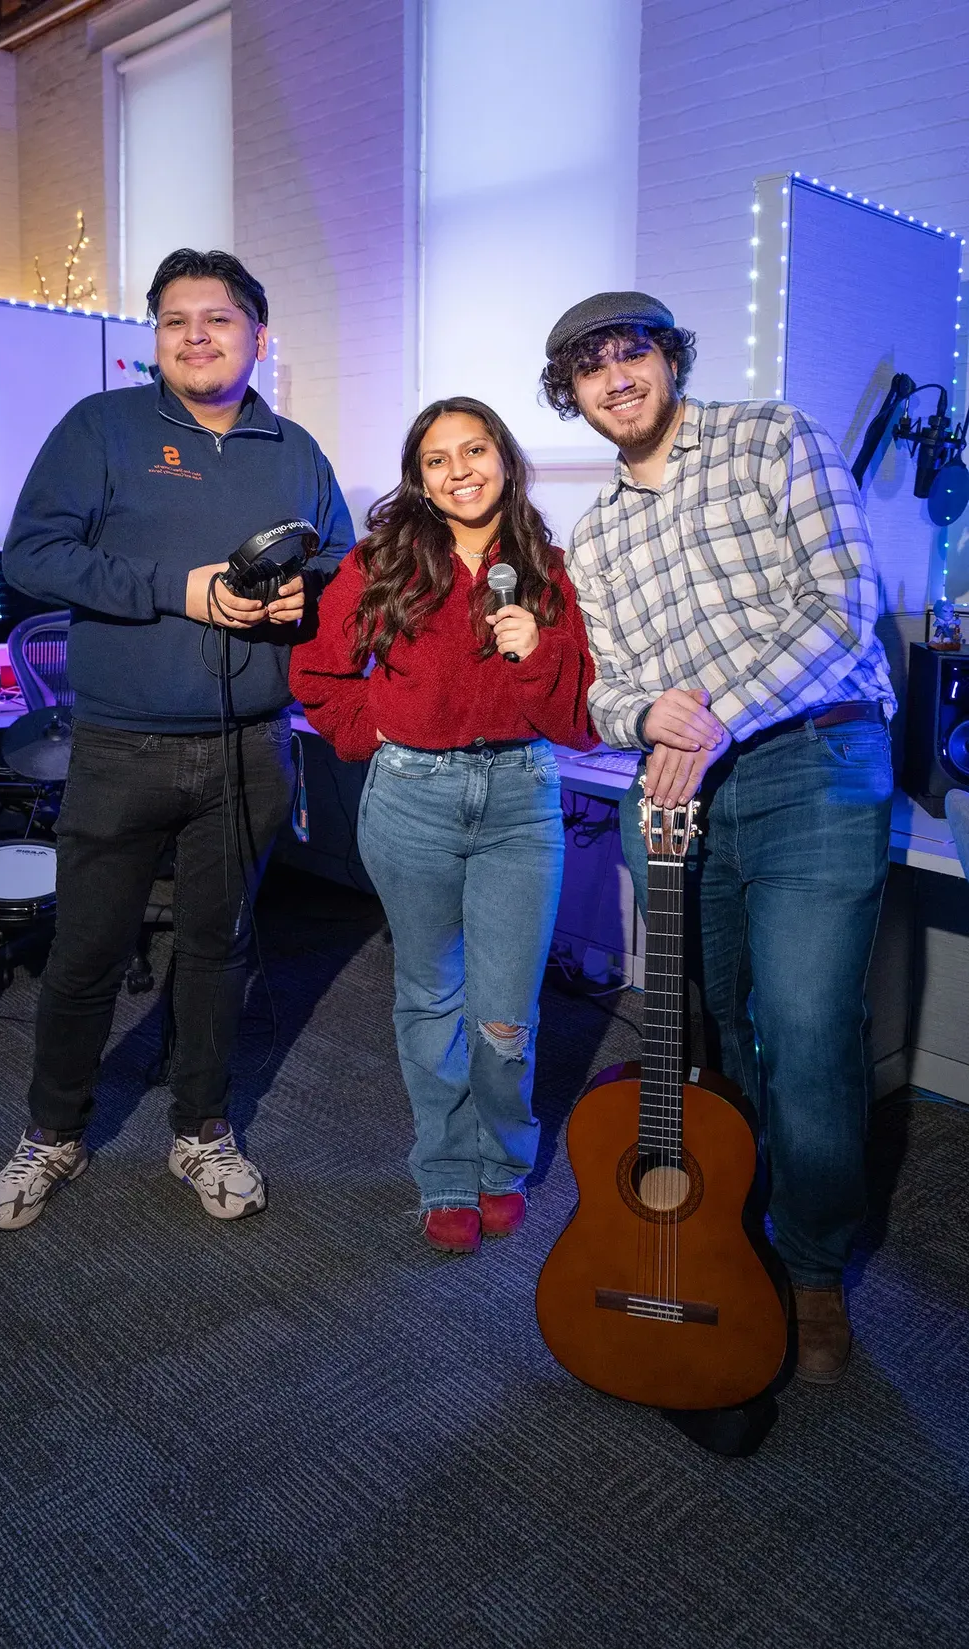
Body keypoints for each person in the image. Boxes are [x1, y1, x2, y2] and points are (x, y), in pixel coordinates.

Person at [541, 290, 896, 1383]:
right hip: (685, 787)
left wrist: (716, 715)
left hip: (810, 763)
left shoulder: (769, 438)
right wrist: (648, 718)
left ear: (666, 358)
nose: (614, 376)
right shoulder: (593, 534)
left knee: (803, 1030)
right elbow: (606, 693)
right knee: (706, 1037)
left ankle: (812, 1269)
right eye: (587, 366)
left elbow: (844, 604)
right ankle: (720, 1229)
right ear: (573, 394)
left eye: (629, 350)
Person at [0, 248, 353, 1231]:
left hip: (247, 750)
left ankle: (203, 1129)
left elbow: (343, 574)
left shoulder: (295, 448)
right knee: (87, 951)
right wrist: (174, 588)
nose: (194, 333)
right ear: (155, 338)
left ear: (255, 336)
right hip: (119, 746)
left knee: (218, 952)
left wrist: (297, 602)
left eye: (216, 318)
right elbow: (34, 555)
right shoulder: (102, 427)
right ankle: (51, 1132)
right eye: (174, 318)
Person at [290, 397, 596, 1254]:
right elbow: (317, 670)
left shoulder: (549, 570)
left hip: (520, 798)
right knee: (430, 998)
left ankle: (503, 1158)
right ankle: (447, 1169)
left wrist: (538, 649)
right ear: (418, 477)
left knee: (505, 1014)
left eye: (474, 449)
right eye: (436, 458)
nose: (458, 469)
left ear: (504, 458)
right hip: (410, 797)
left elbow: (580, 716)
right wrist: (372, 729)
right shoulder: (381, 562)